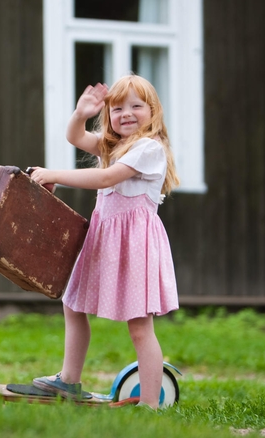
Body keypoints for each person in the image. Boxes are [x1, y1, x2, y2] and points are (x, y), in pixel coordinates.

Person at [28, 74, 179, 409]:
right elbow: (75, 136)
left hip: (135, 244)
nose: (126, 113)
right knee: (73, 303)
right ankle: (68, 380)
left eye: (136, 106)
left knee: (139, 326)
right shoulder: (113, 146)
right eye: (117, 108)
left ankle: (151, 405)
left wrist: (54, 174)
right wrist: (81, 113)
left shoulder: (149, 148)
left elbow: (108, 177)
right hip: (105, 240)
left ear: (152, 111)